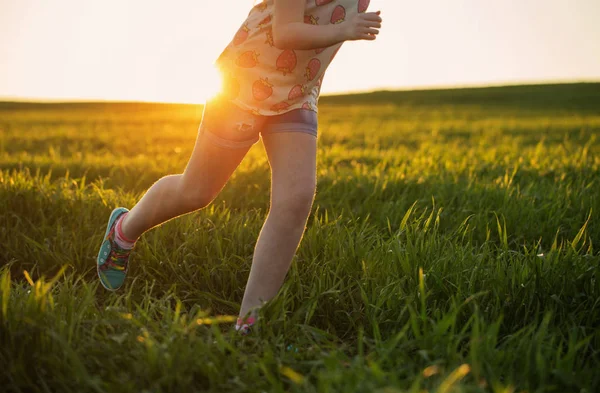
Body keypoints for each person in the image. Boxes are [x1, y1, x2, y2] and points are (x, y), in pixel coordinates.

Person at [96, 0, 382, 334]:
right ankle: (123, 231)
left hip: (296, 94)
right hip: (244, 83)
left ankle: (251, 326)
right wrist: (345, 30)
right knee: (197, 191)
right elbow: (285, 31)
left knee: (295, 200)